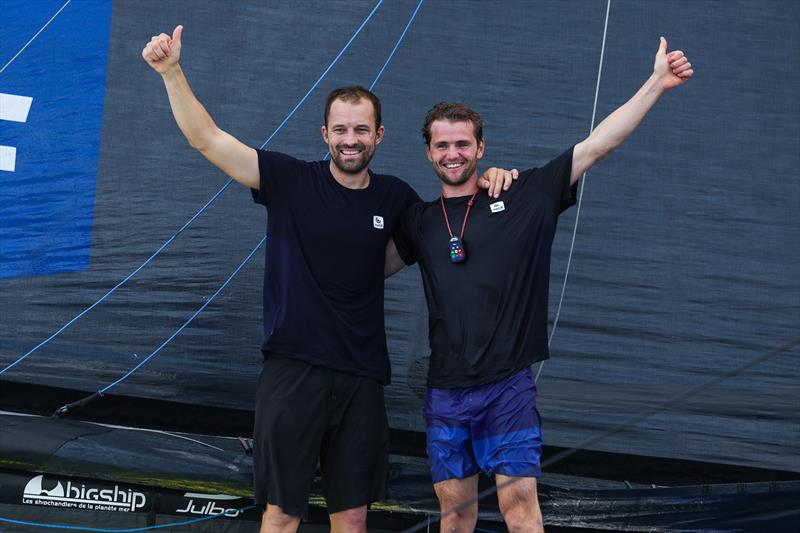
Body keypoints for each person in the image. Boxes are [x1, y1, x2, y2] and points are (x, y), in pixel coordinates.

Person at [141, 25, 517, 533]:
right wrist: (171, 73)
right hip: (293, 371)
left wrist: (492, 178)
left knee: (355, 517)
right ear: (325, 134)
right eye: (341, 130)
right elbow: (206, 139)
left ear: (378, 135)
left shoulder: (396, 198)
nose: (351, 140)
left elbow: (448, 223)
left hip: (361, 377)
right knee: (282, 513)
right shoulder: (291, 181)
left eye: (362, 130)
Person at [388, 37, 693, 533]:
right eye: (442, 145)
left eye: (463, 143)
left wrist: (656, 83)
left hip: (507, 388)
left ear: (480, 147)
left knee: (520, 511)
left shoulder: (525, 195)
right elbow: (361, 268)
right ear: (427, 152)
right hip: (445, 393)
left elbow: (599, 143)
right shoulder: (419, 222)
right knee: (455, 515)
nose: (452, 153)